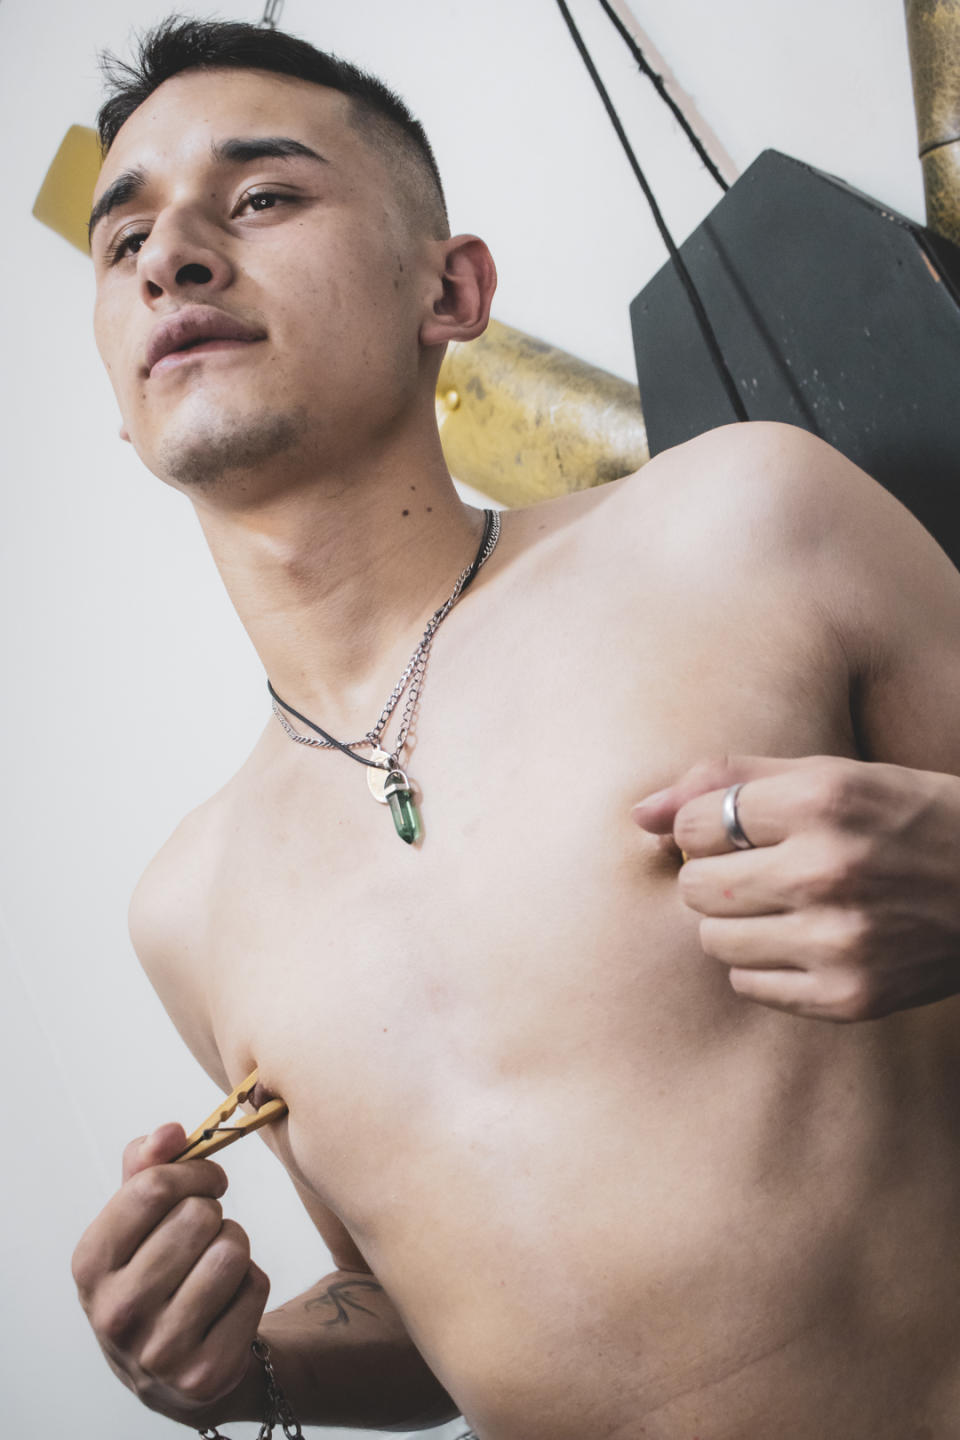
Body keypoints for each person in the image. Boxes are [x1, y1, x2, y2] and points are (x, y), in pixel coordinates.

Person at [72, 17, 960, 1440]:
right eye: (123, 240)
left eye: (262, 196)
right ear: (120, 390)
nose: (169, 256)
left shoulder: (749, 526)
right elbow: (430, 1315)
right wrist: (242, 1369)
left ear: (453, 289)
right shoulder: (187, 908)